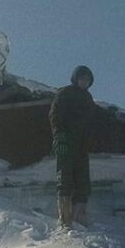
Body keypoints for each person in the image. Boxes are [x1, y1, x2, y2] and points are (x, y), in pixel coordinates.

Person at [49, 65, 97, 227]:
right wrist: (59, 135)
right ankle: (65, 217)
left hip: (82, 146)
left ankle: (79, 216)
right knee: (65, 178)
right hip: (67, 142)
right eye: (82, 78)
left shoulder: (88, 98)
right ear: (76, 79)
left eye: (88, 79)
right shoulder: (65, 93)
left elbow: (92, 121)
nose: (85, 82)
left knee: (83, 181)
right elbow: (55, 114)